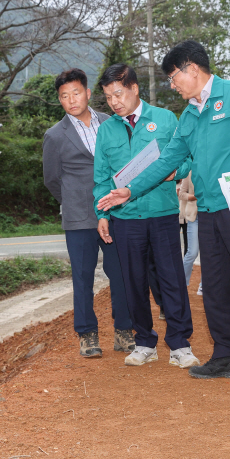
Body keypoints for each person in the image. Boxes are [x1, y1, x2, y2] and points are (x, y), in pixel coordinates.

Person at [98, 40, 230, 387]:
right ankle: (226, 356)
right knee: (213, 288)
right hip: (208, 210)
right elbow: (168, 160)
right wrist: (130, 189)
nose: (172, 84)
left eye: (173, 77)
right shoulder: (189, 116)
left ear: (192, 69)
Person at [93, 63, 199, 368]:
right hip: (125, 218)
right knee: (133, 281)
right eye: (108, 97)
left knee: (172, 279)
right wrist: (100, 214)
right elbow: (101, 178)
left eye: (118, 94)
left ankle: (180, 344)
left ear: (134, 88)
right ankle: (144, 343)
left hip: (163, 214)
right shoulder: (106, 130)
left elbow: (186, 157)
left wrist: (173, 174)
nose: (114, 102)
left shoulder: (165, 119)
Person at [42, 68, 134, 358]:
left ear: (88, 93)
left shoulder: (111, 122)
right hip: (79, 217)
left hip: (115, 212)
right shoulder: (55, 136)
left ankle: (124, 330)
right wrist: (72, 201)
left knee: (120, 274)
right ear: (60, 101)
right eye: (64, 96)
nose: (71, 100)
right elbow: (51, 179)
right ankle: (87, 334)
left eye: (76, 93)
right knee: (82, 277)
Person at [178, 172, 202, 294]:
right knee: (191, 252)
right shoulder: (190, 172)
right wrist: (195, 196)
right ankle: (182, 283)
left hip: (210, 216)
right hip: (194, 218)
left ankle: (204, 286)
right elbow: (181, 194)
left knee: (208, 254)